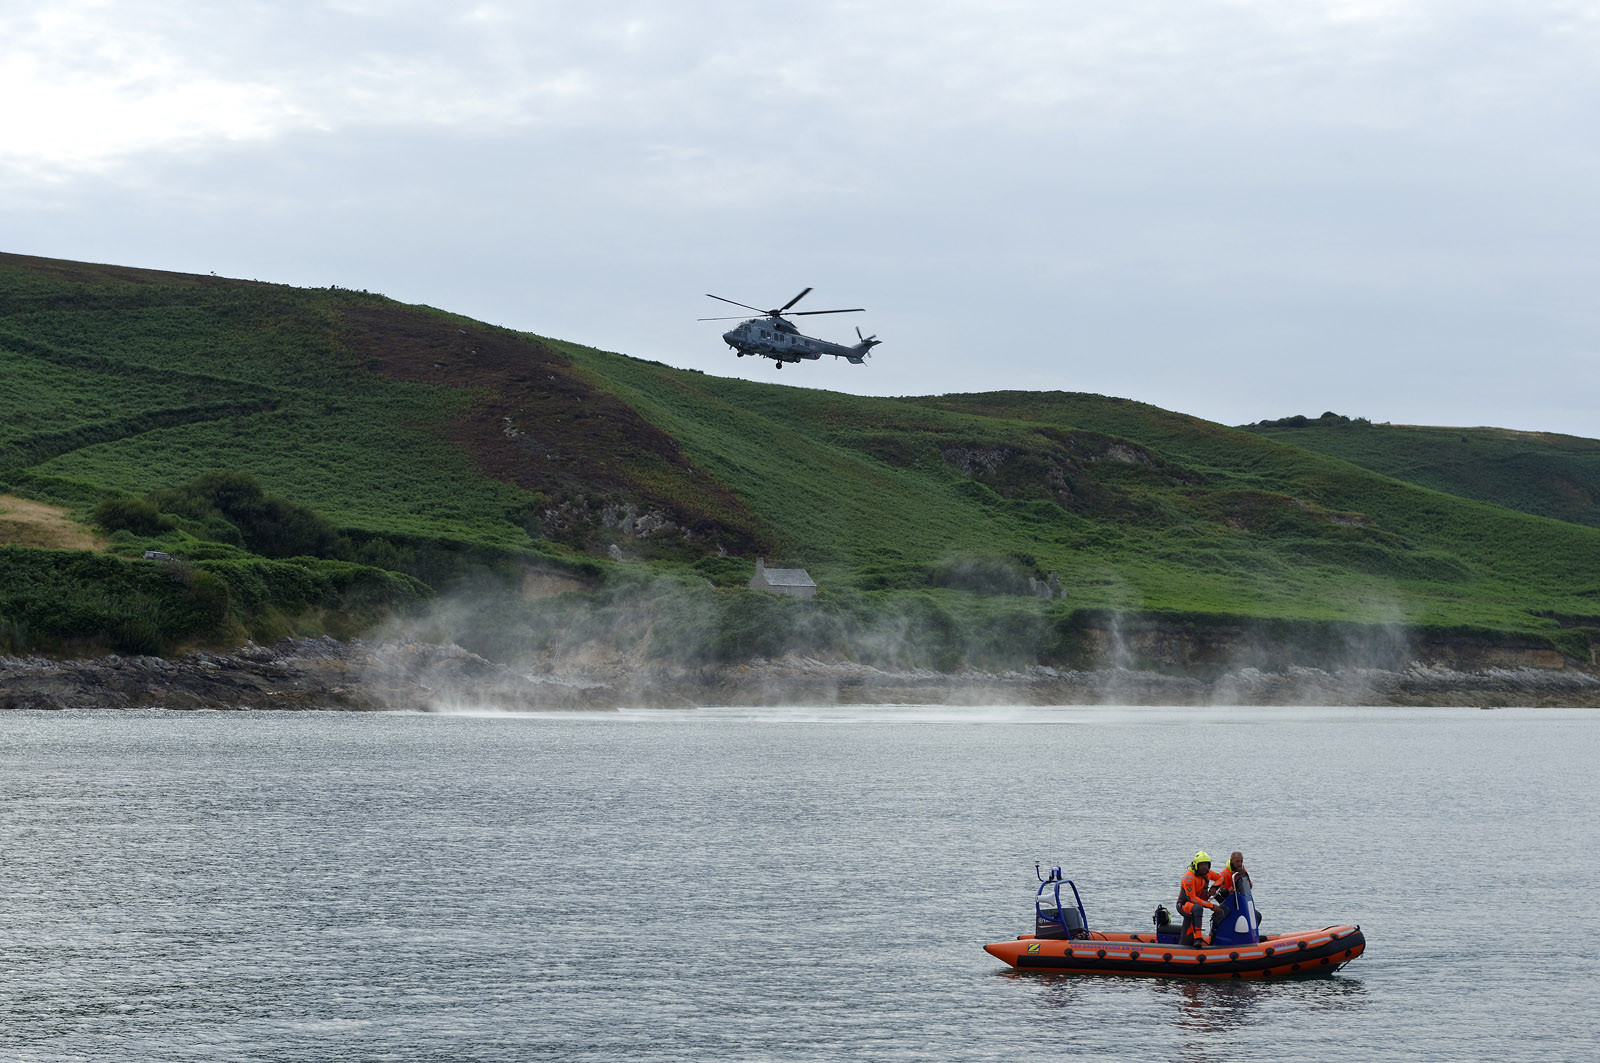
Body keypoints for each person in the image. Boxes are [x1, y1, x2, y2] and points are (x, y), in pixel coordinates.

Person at [1177, 851, 1222, 946]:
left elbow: (1221, 878)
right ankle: (1197, 938)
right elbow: (1192, 898)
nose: (1204, 867)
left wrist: (1214, 887)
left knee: (1200, 908)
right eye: (1202, 865)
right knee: (1197, 908)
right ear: (1196, 865)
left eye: (1206, 864)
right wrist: (1211, 906)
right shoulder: (1189, 878)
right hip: (1184, 904)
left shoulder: (1207, 874)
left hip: (1197, 902)